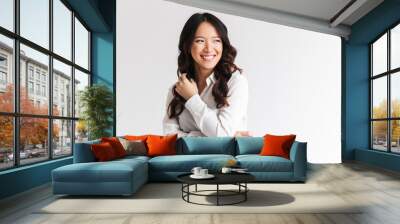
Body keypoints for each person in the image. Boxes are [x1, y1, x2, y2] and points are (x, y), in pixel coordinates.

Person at [163, 12, 249, 137]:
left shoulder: (236, 82)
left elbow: (222, 134)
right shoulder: (177, 89)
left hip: (225, 157)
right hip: (185, 158)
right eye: (200, 41)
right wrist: (208, 137)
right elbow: (169, 137)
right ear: (187, 45)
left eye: (216, 41)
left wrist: (192, 99)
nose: (209, 48)